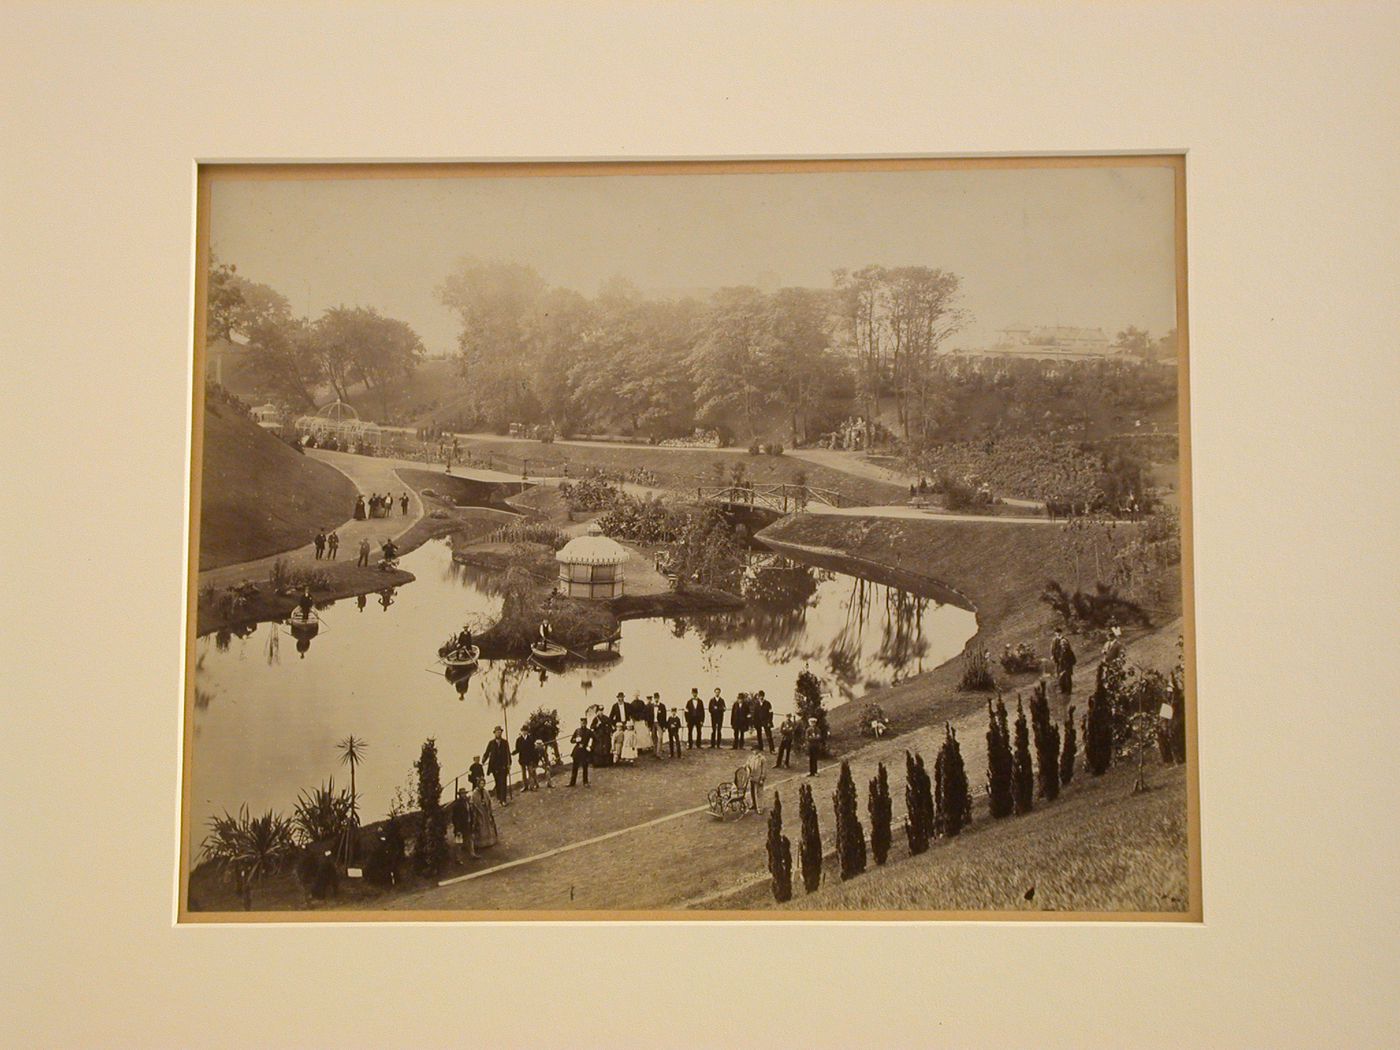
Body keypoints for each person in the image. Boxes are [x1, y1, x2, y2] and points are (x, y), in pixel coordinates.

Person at [483, 727, 512, 805]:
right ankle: (499, 798)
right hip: (494, 767)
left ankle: (503, 800)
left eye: (500, 732)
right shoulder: (491, 743)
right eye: (497, 732)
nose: (499, 733)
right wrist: (483, 761)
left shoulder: (505, 742)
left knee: (503, 782)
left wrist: (509, 764)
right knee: (498, 783)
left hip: (503, 766)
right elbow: (486, 753)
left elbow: (508, 753)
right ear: (494, 733)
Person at [450, 788, 476, 861]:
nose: (464, 795)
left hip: (468, 824)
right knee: (459, 843)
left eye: (464, 793)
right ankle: (458, 858)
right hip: (460, 827)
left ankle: (472, 854)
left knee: (470, 839)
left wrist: (471, 822)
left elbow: (470, 813)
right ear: (459, 795)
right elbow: (455, 818)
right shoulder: (457, 805)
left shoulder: (467, 802)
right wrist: (458, 829)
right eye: (462, 794)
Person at [569, 717, 592, 787]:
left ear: (586, 723)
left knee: (585, 766)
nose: (583, 724)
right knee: (575, 767)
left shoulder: (589, 731)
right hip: (577, 750)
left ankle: (585, 782)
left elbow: (594, 739)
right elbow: (571, 740)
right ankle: (572, 782)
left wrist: (590, 746)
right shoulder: (577, 730)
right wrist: (576, 740)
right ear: (580, 723)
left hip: (585, 751)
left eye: (584, 723)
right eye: (582, 723)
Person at [745, 747, 767, 813]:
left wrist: (762, 779)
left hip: (759, 778)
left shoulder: (762, 759)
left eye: (755, 749)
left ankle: (760, 808)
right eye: (753, 750)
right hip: (752, 777)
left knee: (759, 793)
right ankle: (754, 805)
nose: (754, 751)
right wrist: (745, 766)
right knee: (752, 792)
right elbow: (747, 765)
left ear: (758, 750)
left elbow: (764, 770)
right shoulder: (750, 757)